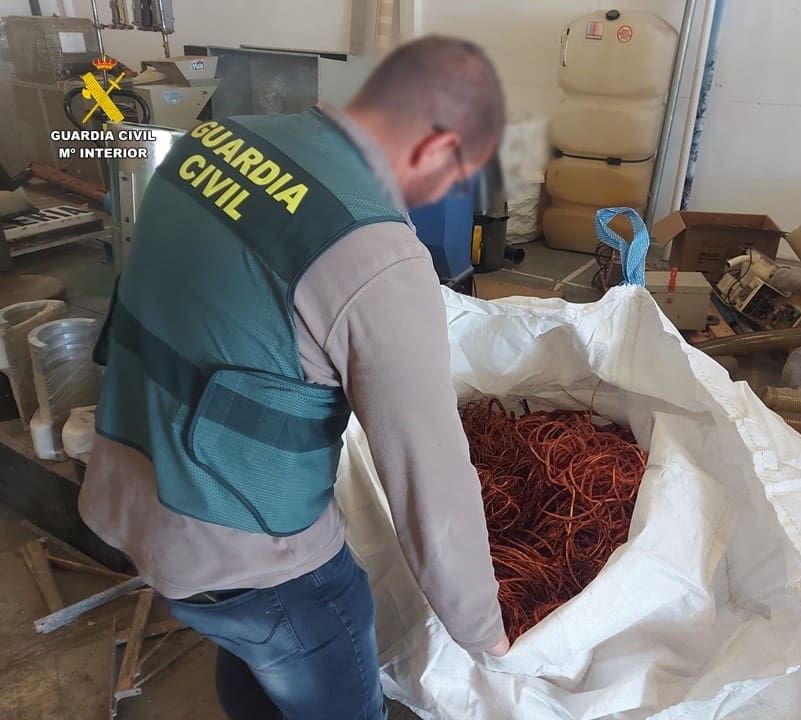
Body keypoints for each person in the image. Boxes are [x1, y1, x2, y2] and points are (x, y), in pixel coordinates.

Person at [78, 35, 509, 720]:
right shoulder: (377, 257)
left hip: (128, 487)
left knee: (254, 649)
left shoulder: (211, 142)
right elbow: (433, 483)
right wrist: (485, 632)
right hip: (247, 552)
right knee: (323, 649)